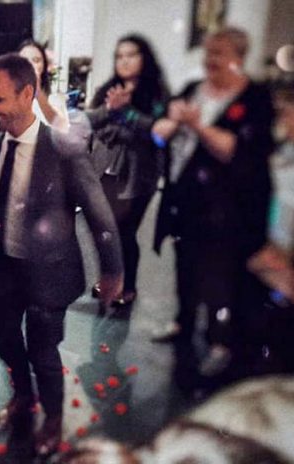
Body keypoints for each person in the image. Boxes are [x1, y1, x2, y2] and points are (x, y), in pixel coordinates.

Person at [0, 53, 123, 459]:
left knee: (43, 353)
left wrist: (113, 271)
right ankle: (23, 399)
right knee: (7, 341)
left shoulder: (64, 150)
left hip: (49, 275)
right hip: (1, 269)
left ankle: (54, 418)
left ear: (27, 94)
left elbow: (100, 215)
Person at [152, 27, 275, 381]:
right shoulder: (193, 90)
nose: (210, 61)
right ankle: (183, 323)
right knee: (185, 268)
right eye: (208, 53)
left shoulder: (255, 98)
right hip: (184, 204)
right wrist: (173, 121)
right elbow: (158, 135)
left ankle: (222, 344)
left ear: (239, 57)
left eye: (219, 54)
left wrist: (197, 125)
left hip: (227, 212)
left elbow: (235, 150)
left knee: (221, 279)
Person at [86, 34, 169, 306]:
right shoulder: (108, 89)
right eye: (120, 56)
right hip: (104, 171)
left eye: (131, 54)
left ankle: (128, 286)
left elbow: (156, 132)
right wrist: (112, 112)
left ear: (144, 58)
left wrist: (125, 114)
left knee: (125, 231)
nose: (125, 60)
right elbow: (91, 122)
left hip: (138, 176)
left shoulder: (156, 93)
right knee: (105, 232)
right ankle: (109, 279)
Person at [18, 39, 70, 133]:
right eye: (24, 61)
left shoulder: (55, 98)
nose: (30, 65)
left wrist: (38, 92)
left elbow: (63, 127)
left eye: (36, 60)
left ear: (44, 66)